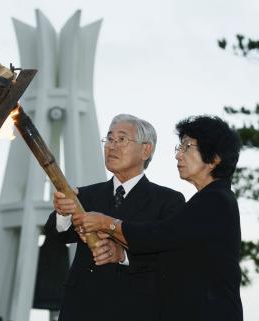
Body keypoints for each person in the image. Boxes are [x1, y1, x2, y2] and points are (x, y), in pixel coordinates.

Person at [74, 116, 243, 321]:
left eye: (187, 147)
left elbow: (157, 236)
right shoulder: (207, 201)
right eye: (178, 148)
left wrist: (107, 223)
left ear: (215, 158)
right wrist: (119, 253)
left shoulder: (215, 200)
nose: (178, 156)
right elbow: (165, 253)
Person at [46, 114, 185, 321]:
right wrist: (63, 214)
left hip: (134, 309)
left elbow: (170, 260)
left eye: (122, 139)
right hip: (80, 309)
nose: (112, 146)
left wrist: (123, 255)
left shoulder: (168, 201)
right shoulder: (84, 196)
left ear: (146, 150)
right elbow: (55, 237)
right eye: (109, 139)